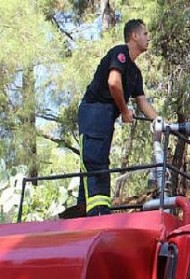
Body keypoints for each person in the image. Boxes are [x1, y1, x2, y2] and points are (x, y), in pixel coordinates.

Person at [77, 19, 158, 216]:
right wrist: (123, 110)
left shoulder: (136, 73)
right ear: (134, 35)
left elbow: (141, 101)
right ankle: (98, 212)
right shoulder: (119, 53)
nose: (149, 38)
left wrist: (160, 121)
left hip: (106, 116)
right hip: (95, 110)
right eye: (145, 34)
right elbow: (113, 82)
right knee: (95, 160)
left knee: (95, 160)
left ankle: (82, 209)